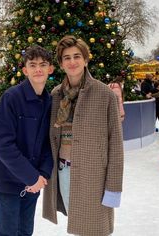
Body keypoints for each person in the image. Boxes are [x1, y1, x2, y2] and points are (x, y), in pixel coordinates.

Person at [43, 35, 124, 236]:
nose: (72, 62)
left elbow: (115, 143)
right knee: (76, 221)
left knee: (95, 227)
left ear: (86, 59)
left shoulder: (104, 94)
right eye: (66, 57)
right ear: (61, 64)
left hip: (94, 174)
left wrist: (113, 186)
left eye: (77, 56)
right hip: (63, 170)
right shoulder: (55, 95)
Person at [0, 45, 54, 236]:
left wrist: (41, 175)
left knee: (26, 232)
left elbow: (48, 143)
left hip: (34, 183)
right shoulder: (11, 97)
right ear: (25, 70)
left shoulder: (49, 101)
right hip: (9, 183)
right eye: (32, 65)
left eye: (43, 65)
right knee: (9, 233)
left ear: (50, 69)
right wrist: (31, 177)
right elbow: (3, 145)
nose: (38, 69)